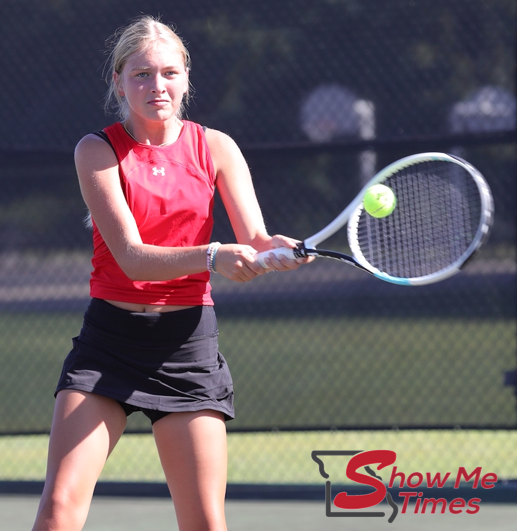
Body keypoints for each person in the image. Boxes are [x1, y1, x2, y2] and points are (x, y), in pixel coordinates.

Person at [31, 15, 310, 531]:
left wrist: (281, 248)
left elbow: (255, 238)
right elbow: (132, 257)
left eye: (167, 73)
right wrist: (213, 256)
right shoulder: (97, 150)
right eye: (140, 75)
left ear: (185, 78)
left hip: (186, 346)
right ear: (118, 82)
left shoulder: (216, 147)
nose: (156, 86)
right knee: (58, 510)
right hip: (109, 344)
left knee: (204, 521)